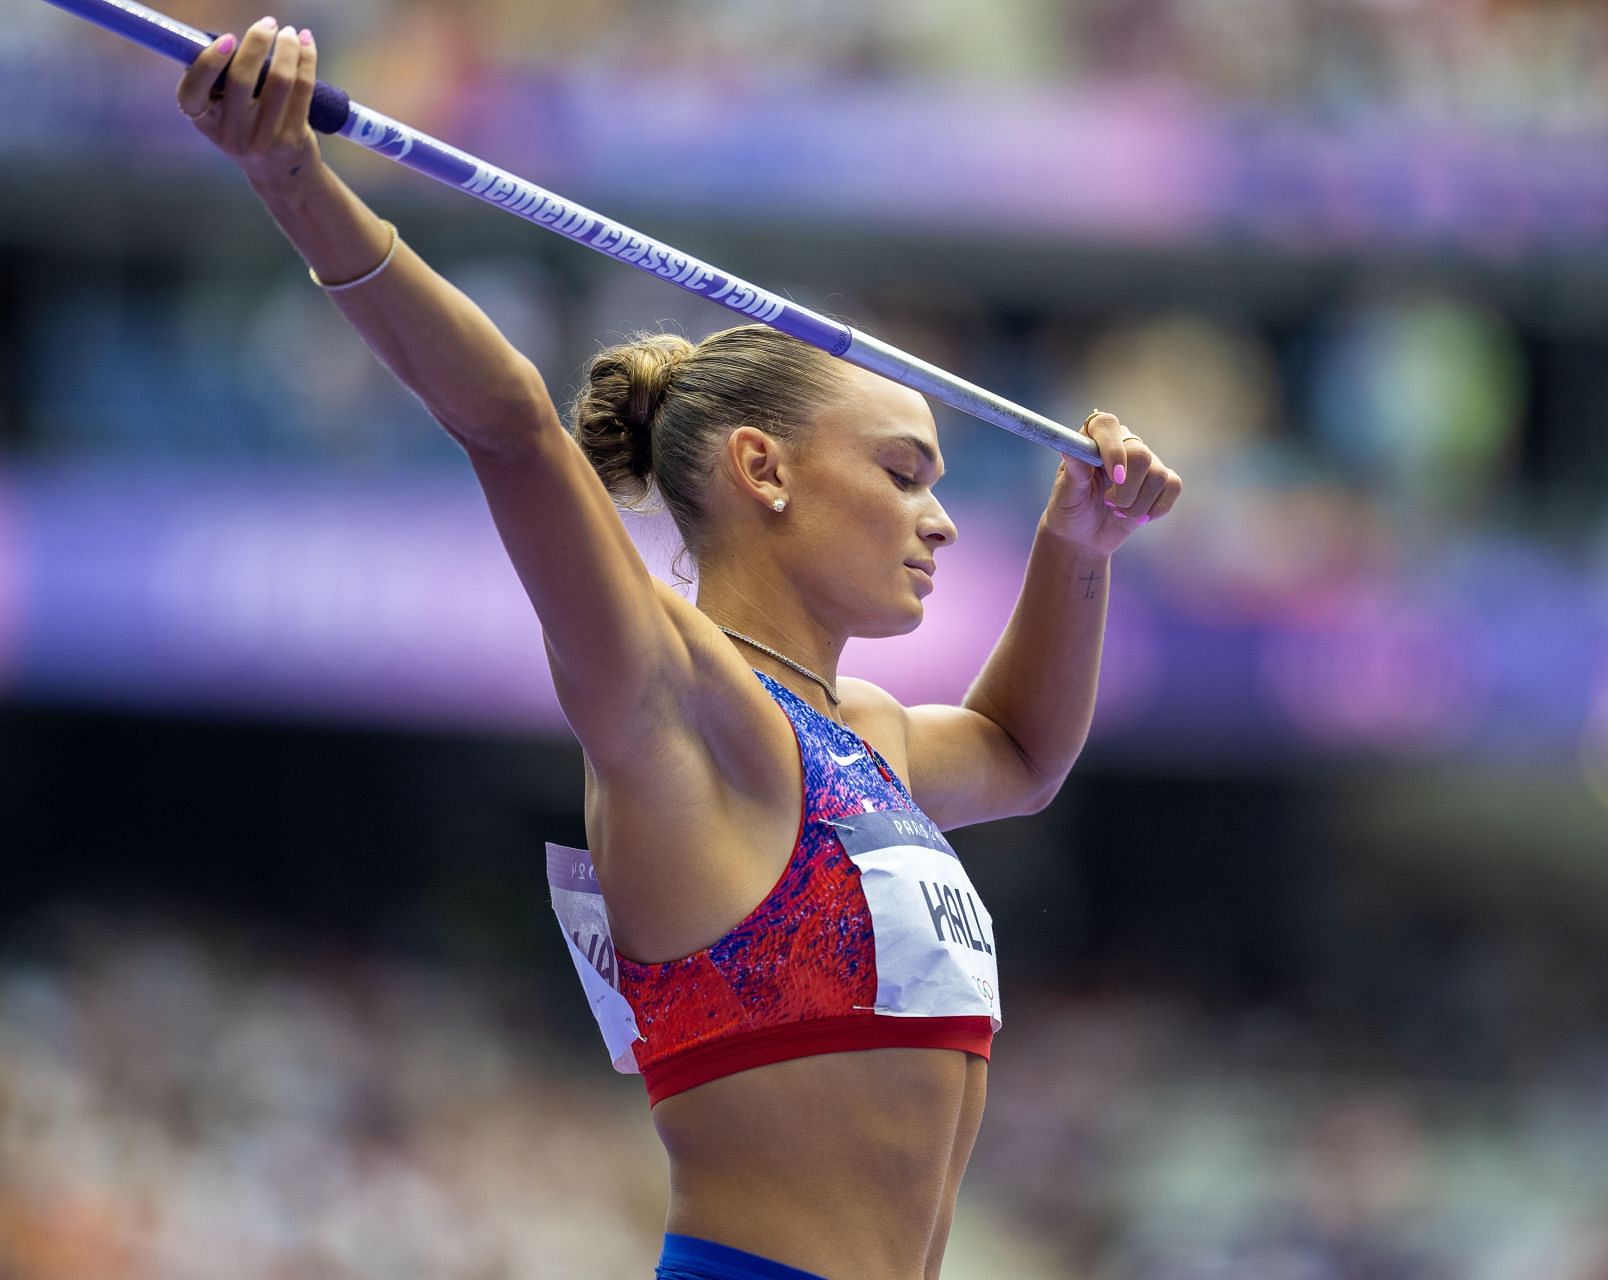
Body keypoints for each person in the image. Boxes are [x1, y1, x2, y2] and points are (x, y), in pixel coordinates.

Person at [175, 18, 1181, 1280]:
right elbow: (510, 424)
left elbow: (1026, 751)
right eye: (904, 470)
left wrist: (1078, 542)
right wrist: (291, 177)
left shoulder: (868, 739)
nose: (939, 515)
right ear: (761, 469)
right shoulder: (676, 699)